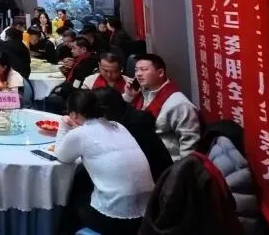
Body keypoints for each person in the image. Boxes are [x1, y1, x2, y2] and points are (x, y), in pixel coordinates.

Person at [56, 89, 155, 235]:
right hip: (149, 214)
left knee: (72, 200)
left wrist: (64, 126)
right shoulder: (119, 126)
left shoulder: (80, 134)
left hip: (116, 220)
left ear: (74, 114)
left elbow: (61, 155)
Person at [124, 54, 201, 161]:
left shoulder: (179, 103)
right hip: (143, 155)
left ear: (160, 73)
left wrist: (181, 169)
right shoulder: (141, 93)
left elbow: (189, 144)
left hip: (167, 162)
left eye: (144, 69)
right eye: (136, 70)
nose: (138, 74)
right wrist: (129, 97)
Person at [93, 87, 173, 181]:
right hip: (158, 176)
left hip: (156, 181)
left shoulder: (132, 128)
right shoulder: (128, 113)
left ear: (104, 111)